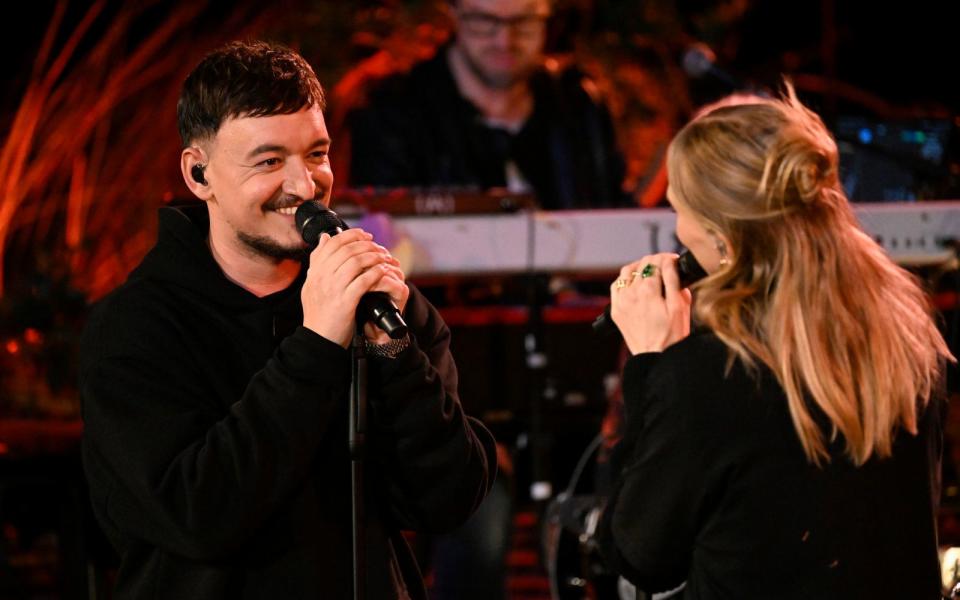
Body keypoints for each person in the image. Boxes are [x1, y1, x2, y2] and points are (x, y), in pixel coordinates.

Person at [79, 40, 496, 599]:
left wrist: (395, 354)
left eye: (317, 154)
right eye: (269, 161)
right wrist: (318, 343)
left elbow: (446, 500)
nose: (304, 186)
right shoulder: (134, 327)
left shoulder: (382, 298)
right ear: (199, 174)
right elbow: (198, 516)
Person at [597, 84, 955, 599]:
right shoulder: (908, 337)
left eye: (679, 209)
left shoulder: (704, 373)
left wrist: (650, 364)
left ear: (721, 237)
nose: (677, 232)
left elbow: (638, 556)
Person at [341, 0, 631, 209]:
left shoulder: (580, 107)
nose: (505, 40)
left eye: (524, 22)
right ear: (454, 14)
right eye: (484, 22)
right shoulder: (392, 113)